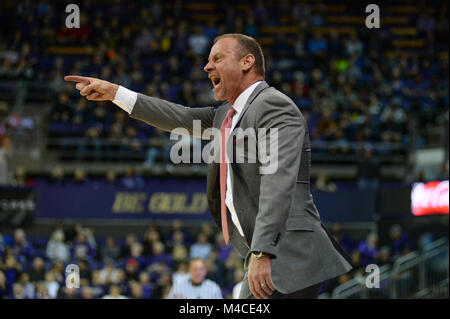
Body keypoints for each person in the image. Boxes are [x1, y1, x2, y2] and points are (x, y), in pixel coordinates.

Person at [65, 33, 352, 299]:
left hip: (289, 253)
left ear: (246, 62)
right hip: (264, 253)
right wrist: (116, 93)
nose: (206, 67)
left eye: (217, 59)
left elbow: (278, 182)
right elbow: (179, 117)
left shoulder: (274, 106)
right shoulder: (227, 114)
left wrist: (264, 251)